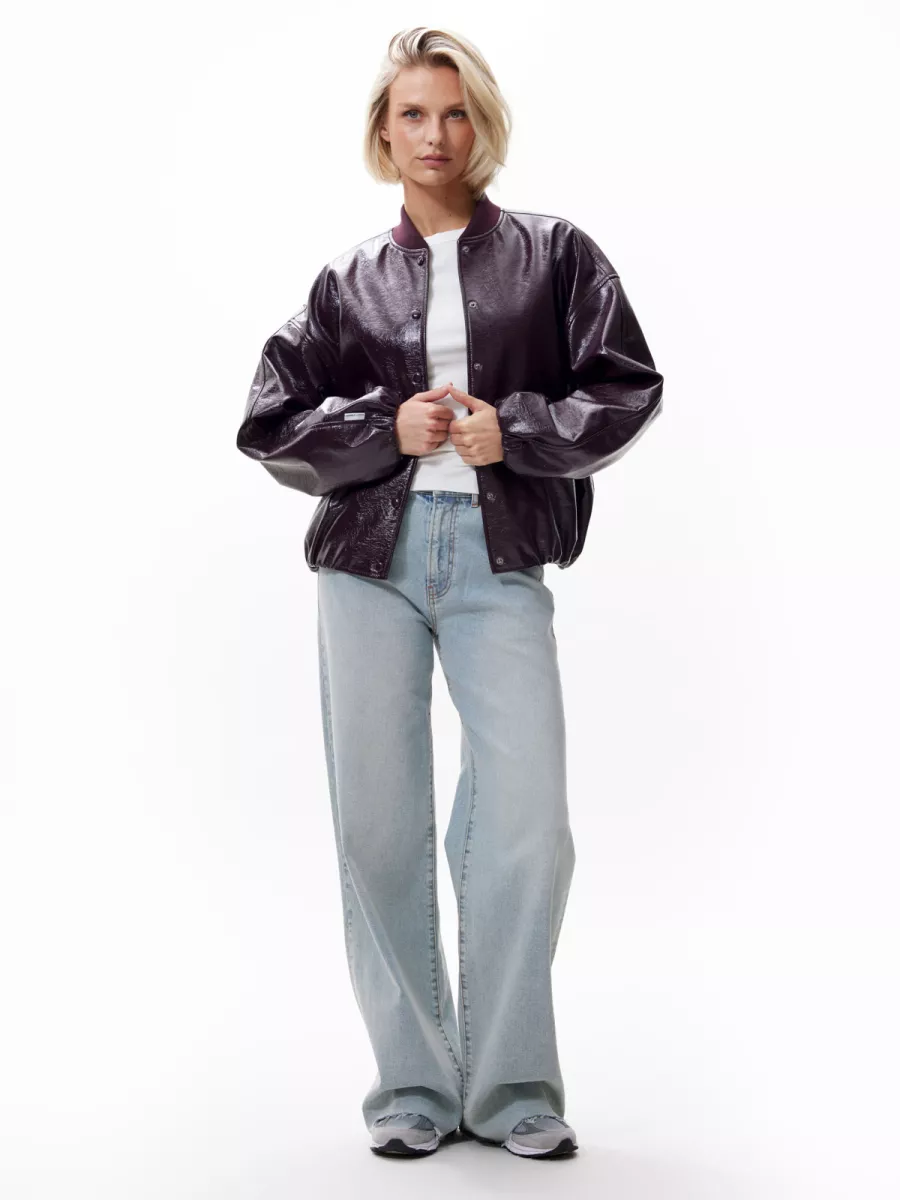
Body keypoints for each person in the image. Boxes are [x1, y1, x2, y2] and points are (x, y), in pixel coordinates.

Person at [236, 26, 663, 1160]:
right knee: (377, 824)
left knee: (527, 820)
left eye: (456, 110)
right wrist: (386, 427)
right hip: (367, 567)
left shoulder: (555, 255)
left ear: (484, 123)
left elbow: (625, 387)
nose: (436, 134)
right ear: (384, 135)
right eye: (413, 115)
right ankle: (414, 1088)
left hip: (497, 554)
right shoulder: (347, 281)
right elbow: (270, 420)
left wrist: (510, 430)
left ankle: (513, 1086)